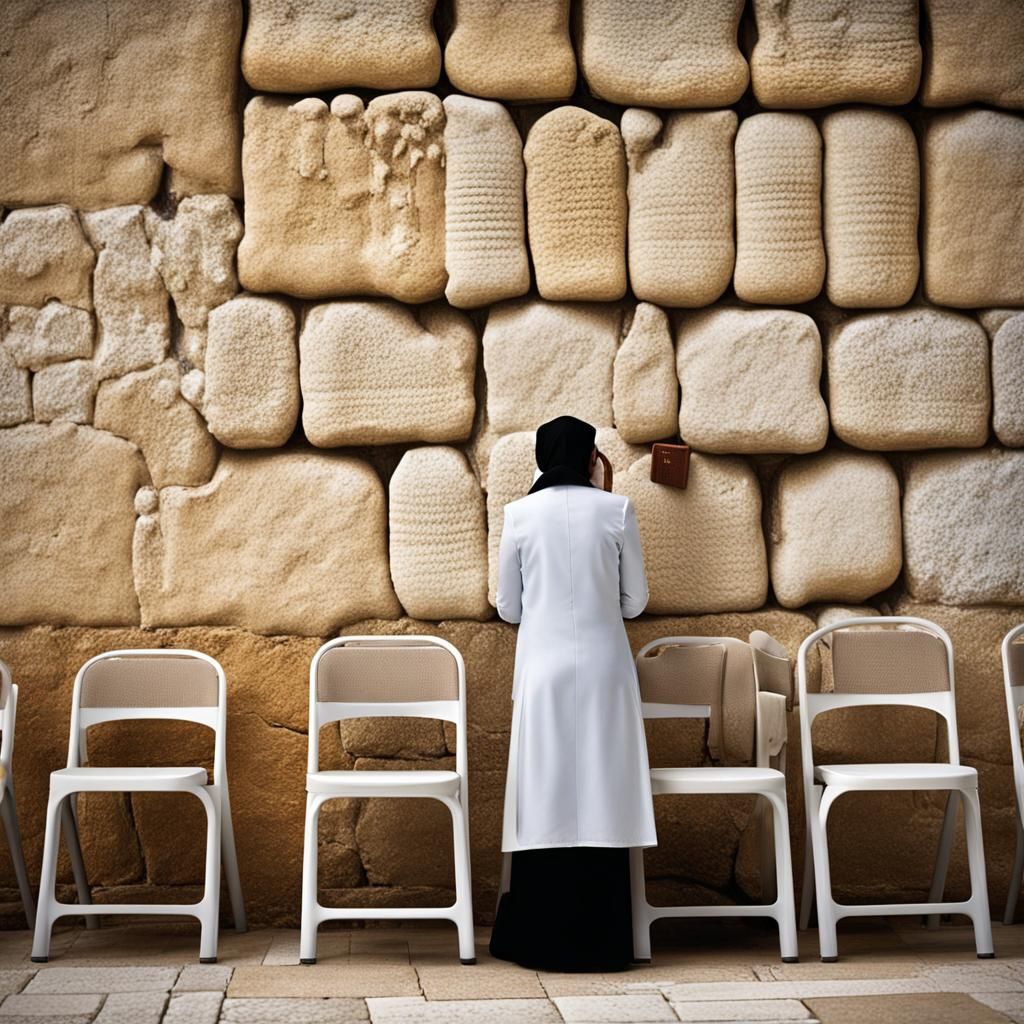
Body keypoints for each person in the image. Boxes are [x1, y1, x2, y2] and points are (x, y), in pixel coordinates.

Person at [489, 414, 657, 972]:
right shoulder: (617, 510)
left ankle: (541, 934)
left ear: (541, 458)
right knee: (603, 792)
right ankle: (604, 938)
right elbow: (635, 601)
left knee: (546, 792)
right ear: (591, 458)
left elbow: (507, 607)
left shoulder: (517, 515)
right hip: (606, 671)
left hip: (543, 670)